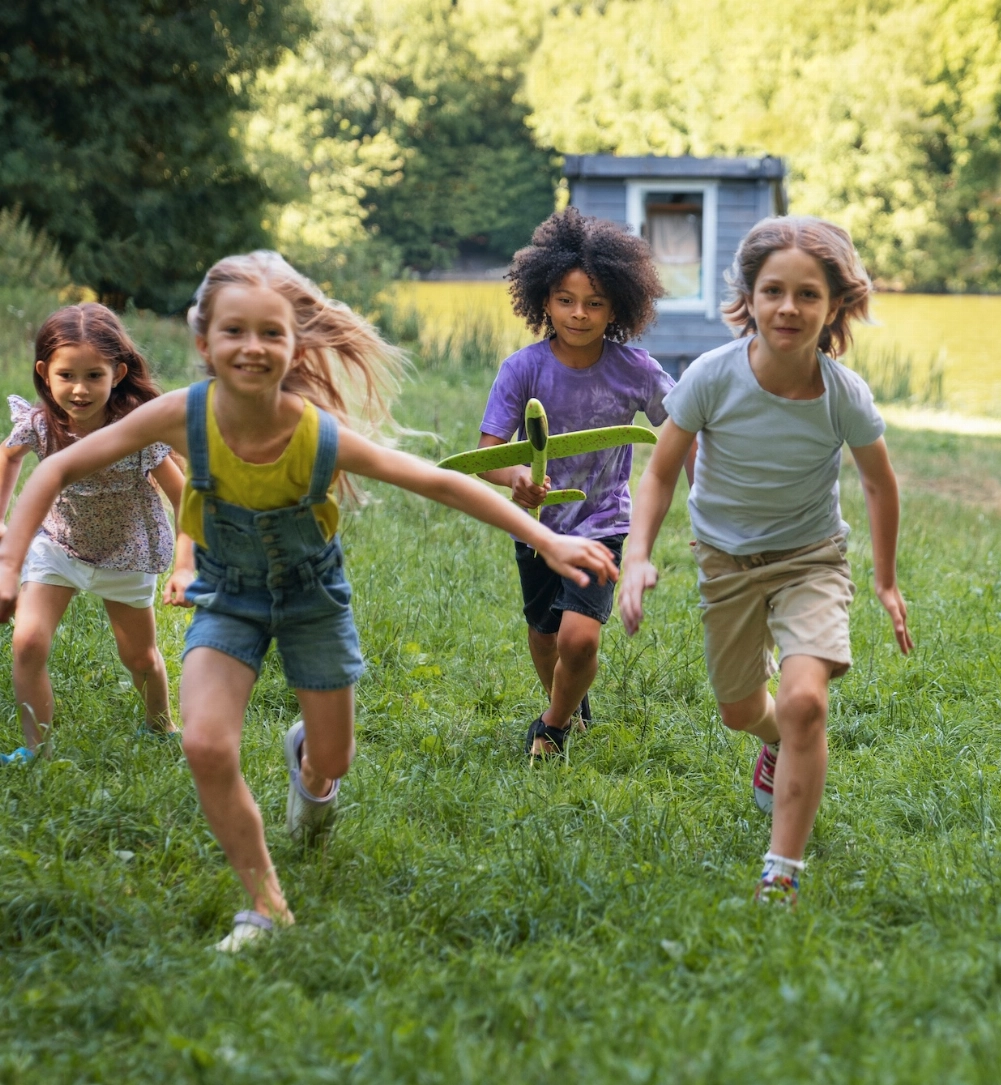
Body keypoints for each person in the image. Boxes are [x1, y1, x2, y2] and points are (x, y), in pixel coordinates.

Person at [0, 251, 618, 950]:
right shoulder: (180, 414)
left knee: (336, 758)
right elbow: (56, 467)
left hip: (311, 601)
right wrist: (9, 562)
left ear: (293, 347)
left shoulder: (313, 431)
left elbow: (437, 482)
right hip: (229, 597)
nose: (252, 347)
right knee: (204, 743)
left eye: (271, 333)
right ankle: (265, 904)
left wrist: (549, 539)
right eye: (234, 331)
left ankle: (310, 765)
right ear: (203, 342)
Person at [618, 216, 913, 908]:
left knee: (807, 701)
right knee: (741, 707)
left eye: (808, 294)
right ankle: (774, 738)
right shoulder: (712, 378)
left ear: (835, 304)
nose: (789, 307)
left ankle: (781, 869)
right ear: (747, 297)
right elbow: (659, 473)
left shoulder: (844, 394)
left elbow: (879, 483)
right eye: (773, 290)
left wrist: (886, 579)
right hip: (726, 562)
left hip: (812, 559)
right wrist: (636, 556)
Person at [475, 207, 675, 759]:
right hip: (537, 525)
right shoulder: (521, 369)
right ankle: (567, 703)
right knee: (544, 635)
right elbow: (487, 457)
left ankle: (552, 728)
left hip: (603, 523)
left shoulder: (636, 369)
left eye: (594, 303)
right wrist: (515, 476)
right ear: (543, 299)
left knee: (578, 636)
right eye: (565, 300)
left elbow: (680, 428)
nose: (579, 314)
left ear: (618, 307)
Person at [0, 303, 185, 761]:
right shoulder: (41, 424)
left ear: (118, 372)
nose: (79, 390)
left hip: (126, 553)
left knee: (139, 658)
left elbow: (183, 496)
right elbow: (9, 458)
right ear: (45, 372)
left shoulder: (135, 431)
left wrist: (190, 557)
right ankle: (35, 749)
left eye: (94, 376)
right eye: (66, 375)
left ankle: (160, 726)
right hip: (58, 546)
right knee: (27, 640)